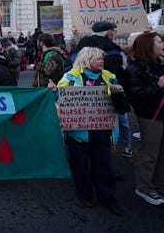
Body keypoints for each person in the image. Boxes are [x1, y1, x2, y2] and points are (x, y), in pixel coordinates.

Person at [54, 47, 129, 215]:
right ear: (87, 60)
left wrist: (117, 93)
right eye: (98, 59)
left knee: (103, 166)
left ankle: (107, 197)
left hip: (102, 131)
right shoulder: (70, 77)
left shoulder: (109, 77)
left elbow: (122, 108)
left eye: (102, 59)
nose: (103, 61)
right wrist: (54, 91)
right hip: (78, 132)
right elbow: (59, 99)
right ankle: (84, 195)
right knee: (80, 167)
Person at [125, 32, 164, 206]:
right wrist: (158, 85)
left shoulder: (160, 65)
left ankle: (163, 186)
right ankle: (145, 187)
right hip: (150, 116)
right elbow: (136, 96)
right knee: (150, 152)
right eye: (159, 42)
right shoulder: (135, 69)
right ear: (149, 46)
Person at [73, 21, 133, 158]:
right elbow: (120, 74)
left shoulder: (81, 46)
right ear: (109, 34)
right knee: (120, 121)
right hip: (111, 92)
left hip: (83, 94)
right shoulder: (114, 51)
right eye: (113, 32)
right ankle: (125, 145)